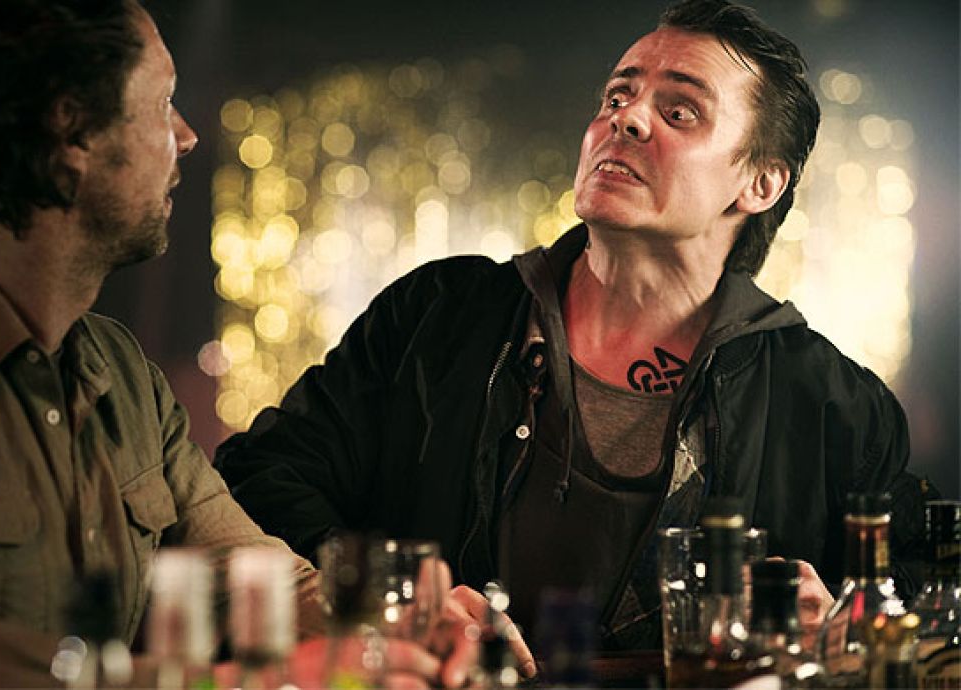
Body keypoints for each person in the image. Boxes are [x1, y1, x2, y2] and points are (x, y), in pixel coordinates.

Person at [216, 0, 932, 662]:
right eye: (617, 97)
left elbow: (926, 580)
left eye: (680, 111)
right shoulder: (438, 315)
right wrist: (388, 598)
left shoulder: (831, 402)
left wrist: (853, 619)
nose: (627, 120)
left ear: (760, 183)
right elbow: (260, 481)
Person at [0, 1, 478, 687]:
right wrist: (240, 683)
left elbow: (245, 572)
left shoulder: (124, 376)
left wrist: (391, 624)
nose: (188, 136)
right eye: (164, 103)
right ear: (72, 130)